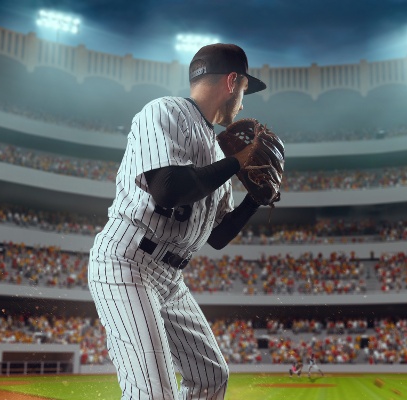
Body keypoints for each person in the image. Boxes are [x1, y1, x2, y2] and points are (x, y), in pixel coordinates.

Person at [87, 43, 269, 400]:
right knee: (152, 394)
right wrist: (240, 161)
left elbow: (216, 236)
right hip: (128, 262)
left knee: (212, 378)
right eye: (245, 89)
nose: (244, 102)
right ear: (232, 82)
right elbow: (168, 189)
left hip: (170, 279)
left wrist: (254, 201)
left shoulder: (218, 151)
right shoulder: (165, 111)